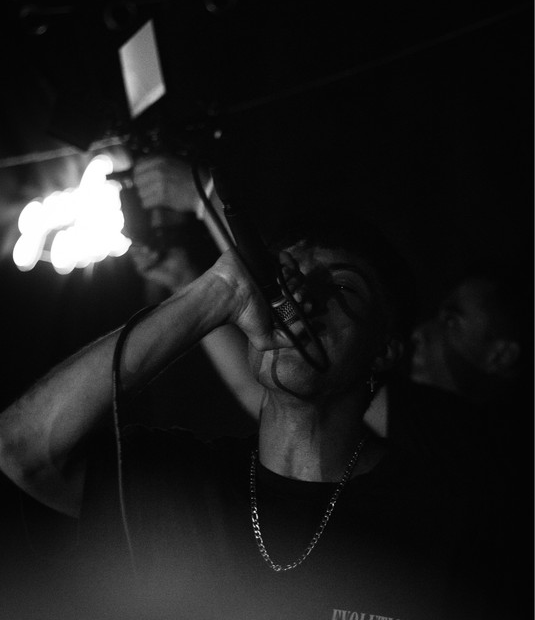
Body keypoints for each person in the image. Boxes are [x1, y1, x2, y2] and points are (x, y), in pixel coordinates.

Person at [0, 162, 514, 620]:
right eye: (284, 282)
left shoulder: (441, 521)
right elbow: (22, 449)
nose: (301, 301)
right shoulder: (181, 483)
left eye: (340, 287)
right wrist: (214, 293)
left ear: (384, 350)